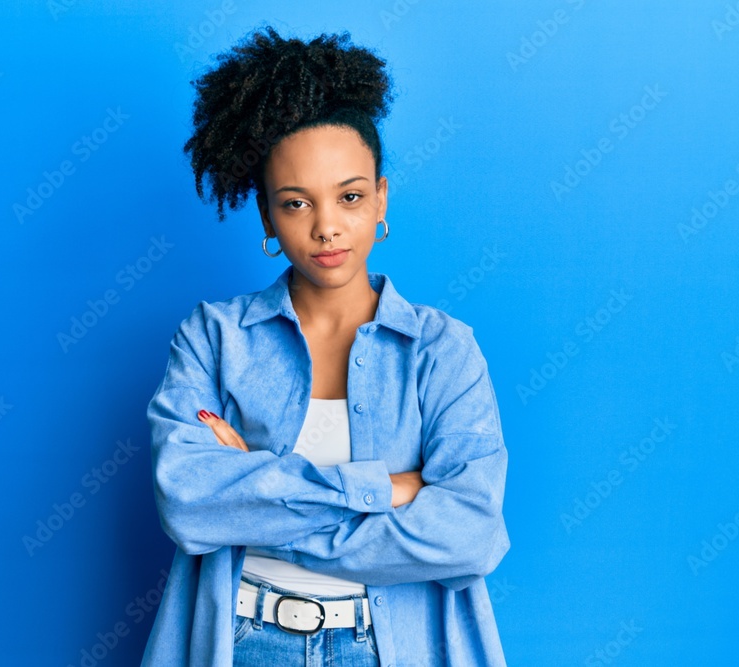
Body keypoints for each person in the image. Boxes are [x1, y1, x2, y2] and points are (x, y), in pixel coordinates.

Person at [141, 25, 510, 667]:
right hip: (245, 640)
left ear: (380, 199)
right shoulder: (214, 338)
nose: (327, 227)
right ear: (265, 215)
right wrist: (387, 488)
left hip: (392, 647)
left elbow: (470, 535)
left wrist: (257, 505)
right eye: (294, 203)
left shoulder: (443, 351)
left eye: (350, 196)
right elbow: (187, 501)